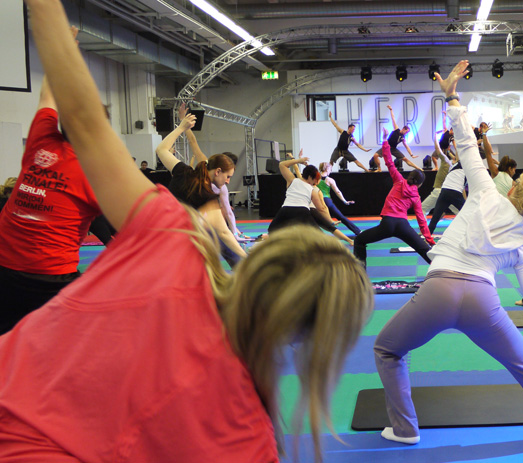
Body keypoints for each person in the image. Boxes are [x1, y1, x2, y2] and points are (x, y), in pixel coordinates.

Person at [0, 6, 374, 463]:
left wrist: (46, 13)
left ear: (265, 258)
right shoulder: (249, 436)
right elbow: (84, 122)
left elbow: (81, 119)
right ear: (312, 343)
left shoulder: (171, 234)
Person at [374, 61, 523, 445]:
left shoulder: (486, 191)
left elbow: (466, 143)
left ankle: (405, 430)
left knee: (387, 350)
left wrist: (452, 98)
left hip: (437, 292)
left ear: (516, 187)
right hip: (482, 303)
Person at [0, 38, 102, 334]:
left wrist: (60, 51)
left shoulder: (42, 138)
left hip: (9, 269)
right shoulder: (97, 171)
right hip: (46, 277)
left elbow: (47, 95)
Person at [156, 112, 247, 265]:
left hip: (162, 229)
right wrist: (246, 257)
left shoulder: (184, 171)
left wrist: (181, 127)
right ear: (218, 171)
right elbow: (224, 232)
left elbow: (161, 150)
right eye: (228, 176)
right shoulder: (207, 195)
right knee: (217, 240)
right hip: (174, 236)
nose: (228, 181)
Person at [354, 128, 435, 266]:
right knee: (426, 251)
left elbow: (389, 161)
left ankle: (360, 275)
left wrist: (385, 140)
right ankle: (444, 272)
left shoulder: (399, 180)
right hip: (403, 226)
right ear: (420, 184)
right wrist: (430, 240)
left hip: (387, 224)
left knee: (359, 240)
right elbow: (421, 220)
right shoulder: (416, 197)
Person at [268, 156, 324, 233]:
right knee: (317, 233)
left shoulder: (292, 180)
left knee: (272, 230)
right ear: (310, 177)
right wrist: (329, 222)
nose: (315, 182)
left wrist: (299, 160)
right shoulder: (312, 189)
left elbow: (282, 164)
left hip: (286, 209)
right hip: (302, 210)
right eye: (315, 179)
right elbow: (321, 208)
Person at [372, 105, 422, 172]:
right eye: (406, 132)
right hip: (387, 147)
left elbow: (407, 146)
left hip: (393, 149)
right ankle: (379, 168)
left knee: (405, 159)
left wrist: (411, 155)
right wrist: (391, 110)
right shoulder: (396, 129)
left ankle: (418, 168)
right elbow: (393, 118)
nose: (406, 133)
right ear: (403, 129)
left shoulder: (403, 138)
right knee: (375, 155)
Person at [318, 161, 362, 236]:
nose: (330, 171)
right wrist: (345, 201)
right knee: (341, 217)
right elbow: (337, 192)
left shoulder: (315, 178)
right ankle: (358, 232)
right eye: (330, 169)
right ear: (327, 169)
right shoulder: (329, 180)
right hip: (327, 200)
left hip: (317, 201)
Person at [421, 133, 459, 217]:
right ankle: (440, 213)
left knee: (422, 209)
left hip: (439, 191)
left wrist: (435, 137)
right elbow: (452, 156)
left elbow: (437, 149)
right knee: (459, 211)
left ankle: (426, 225)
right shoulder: (455, 166)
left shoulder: (446, 162)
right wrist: (448, 150)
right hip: (448, 192)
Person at [427, 158, 467, 234]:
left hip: (444, 191)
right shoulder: (468, 169)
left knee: (435, 217)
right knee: (468, 213)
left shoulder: (454, 166)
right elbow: (463, 189)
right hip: (455, 192)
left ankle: (427, 237)